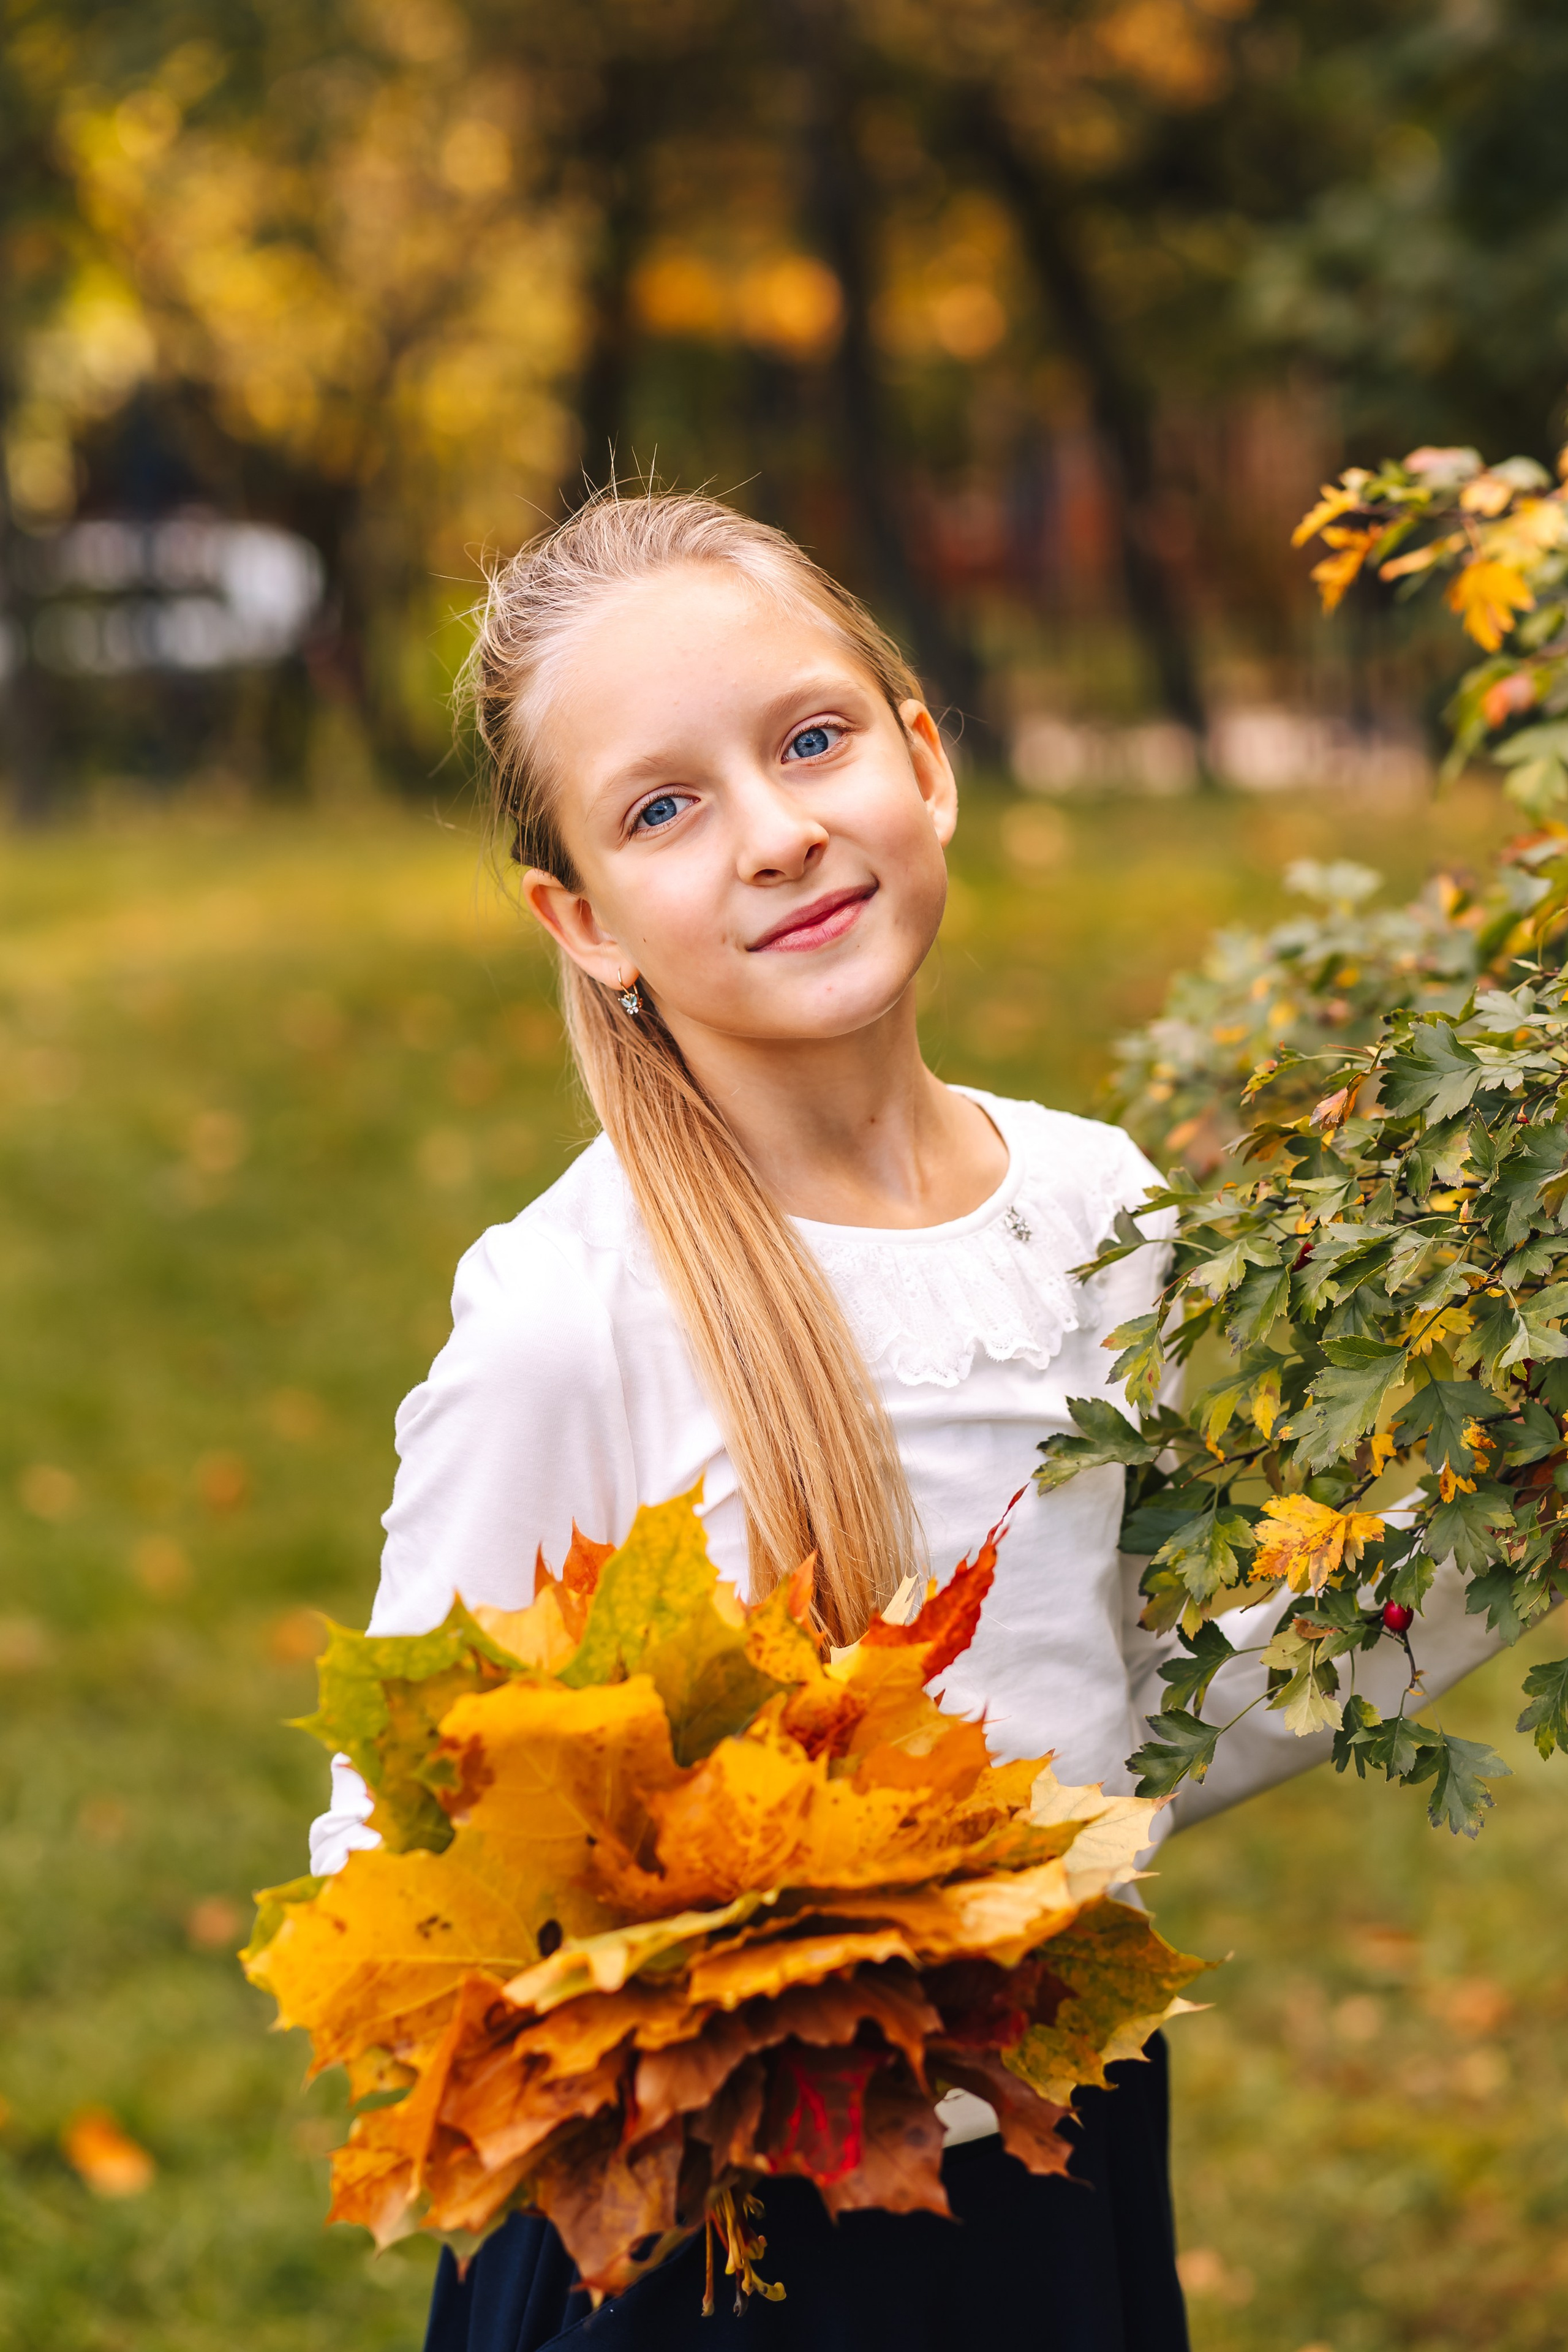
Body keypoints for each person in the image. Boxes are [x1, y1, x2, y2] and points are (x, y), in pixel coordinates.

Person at [307, 490, 1502, 2351]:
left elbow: (1156, 1712)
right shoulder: (576, 1316)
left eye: (808, 741)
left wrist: (1512, 1528)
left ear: (922, 759)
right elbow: (394, 1860)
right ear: (584, 918)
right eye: (663, 808)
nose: (777, 834)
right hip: (714, 2257)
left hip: (1047, 2170)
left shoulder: (1100, 1217)